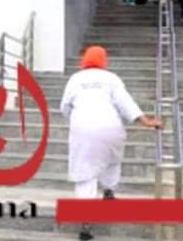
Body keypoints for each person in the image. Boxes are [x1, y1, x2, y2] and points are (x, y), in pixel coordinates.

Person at [60, 46, 163, 241]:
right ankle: (108, 192)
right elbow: (126, 104)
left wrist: (75, 120)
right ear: (103, 60)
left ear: (85, 59)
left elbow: (65, 107)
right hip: (110, 127)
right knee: (111, 160)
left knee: (85, 172)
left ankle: (85, 221)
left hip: (82, 129)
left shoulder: (75, 79)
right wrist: (147, 121)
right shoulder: (111, 79)